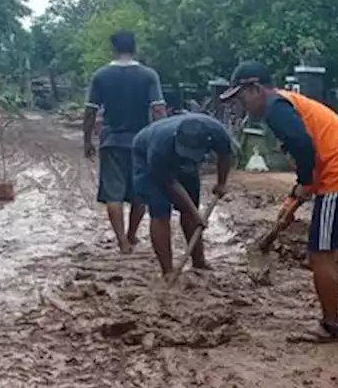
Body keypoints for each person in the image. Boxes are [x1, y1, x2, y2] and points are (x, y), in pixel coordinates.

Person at [221, 62, 338, 343]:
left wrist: (306, 181)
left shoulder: (275, 107)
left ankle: (331, 325)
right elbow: (304, 146)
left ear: (255, 88)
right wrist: (304, 184)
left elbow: (302, 144)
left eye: (241, 96)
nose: (241, 104)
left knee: (320, 252)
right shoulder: (288, 103)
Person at [83, 30, 166, 253]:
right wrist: (163, 140)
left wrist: (87, 141)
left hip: (111, 141)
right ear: (135, 48)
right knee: (140, 192)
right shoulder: (149, 75)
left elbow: (90, 111)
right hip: (142, 142)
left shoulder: (101, 76)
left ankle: (122, 242)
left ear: (113, 48)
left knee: (113, 193)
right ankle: (132, 234)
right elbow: (158, 110)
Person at [131, 113, 233, 279]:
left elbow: (225, 155)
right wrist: (195, 214)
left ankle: (199, 261)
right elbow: (170, 183)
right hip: (146, 156)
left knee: (191, 204)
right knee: (160, 209)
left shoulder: (218, 133)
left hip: (185, 165)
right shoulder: (160, 146)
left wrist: (221, 183)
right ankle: (168, 271)